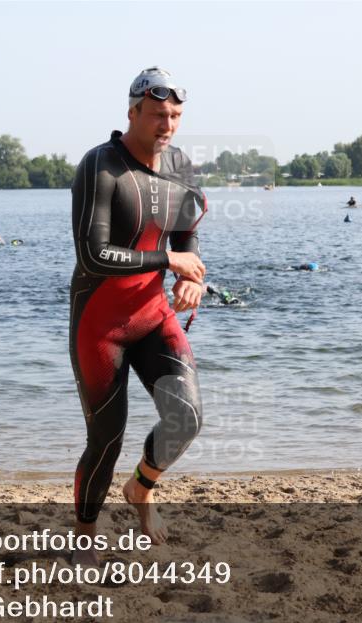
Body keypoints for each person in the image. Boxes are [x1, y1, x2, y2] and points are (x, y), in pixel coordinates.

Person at [69, 67, 207, 565]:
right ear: (132, 113)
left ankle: (141, 489)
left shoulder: (182, 167)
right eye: (155, 115)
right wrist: (169, 261)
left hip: (151, 315)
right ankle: (84, 533)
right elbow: (93, 254)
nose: (166, 124)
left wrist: (189, 276)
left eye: (174, 115)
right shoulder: (100, 166)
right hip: (100, 324)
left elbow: (185, 233)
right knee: (106, 438)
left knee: (186, 416)